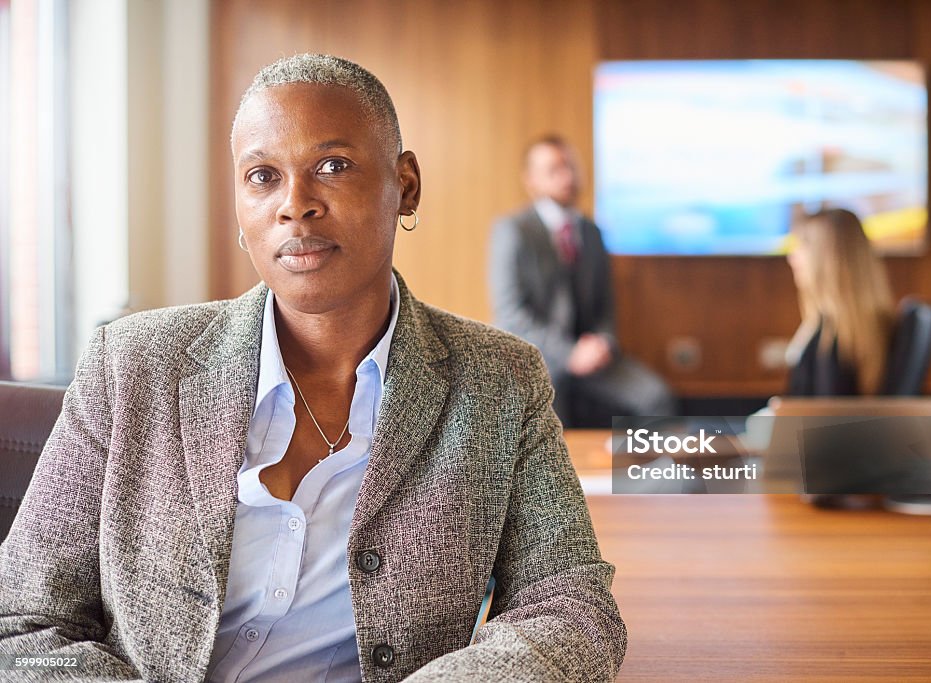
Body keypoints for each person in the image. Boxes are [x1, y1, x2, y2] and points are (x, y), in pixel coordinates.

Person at [0, 55, 625, 682]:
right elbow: (20, 622)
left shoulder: (497, 381)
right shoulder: (132, 364)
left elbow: (572, 610)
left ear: (405, 183)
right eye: (263, 176)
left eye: (333, 166)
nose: (294, 206)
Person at [489, 135, 674, 425]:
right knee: (547, 415)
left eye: (571, 166)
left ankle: (638, 471)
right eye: (554, 170)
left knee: (656, 397)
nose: (567, 176)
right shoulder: (513, 231)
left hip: (595, 358)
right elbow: (512, 315)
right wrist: (569, 354)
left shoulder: (592, 233)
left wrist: (603, 342)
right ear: (531, 180)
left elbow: (606, 307)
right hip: (539, 359)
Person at [784, 208, 896, 395]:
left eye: (803, 245)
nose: (792, 257)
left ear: (828, 257)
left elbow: (823, 415)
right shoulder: (830, 326)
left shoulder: (833, 340)